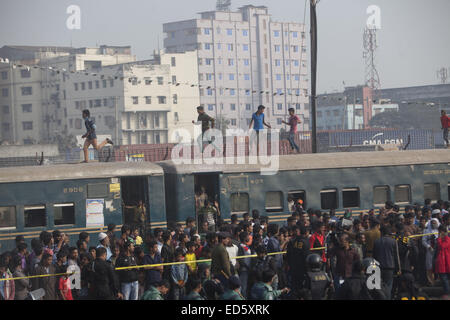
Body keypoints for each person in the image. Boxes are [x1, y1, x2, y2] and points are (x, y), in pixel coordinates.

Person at [373, 225, 398, 300]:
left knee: (379, 286)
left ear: (382, 232)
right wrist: (398, 268)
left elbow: (374, 256)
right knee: (388, 287)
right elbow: (396, 257)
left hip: (379, 267)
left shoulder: (376, 241)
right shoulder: (393, 241)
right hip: (390, 267)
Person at [434, 225, 450, 298]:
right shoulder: (440, 239)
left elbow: (442, 246)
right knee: (443, 278)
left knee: (445, 278)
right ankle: (445, 291)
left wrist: (439, 238)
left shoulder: (447, 239)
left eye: (440, 232)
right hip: (441, 261)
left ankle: (447, 292)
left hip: (446, 261)